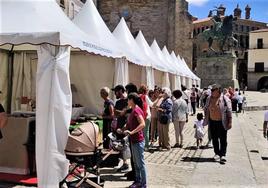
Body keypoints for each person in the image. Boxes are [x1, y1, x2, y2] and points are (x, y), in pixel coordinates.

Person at [118, 93, 147, 188]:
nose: (127, 101)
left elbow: (142, 124)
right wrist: (122, 129)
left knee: (140, 164)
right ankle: (138, 181)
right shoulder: (133, 110)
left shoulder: (137, 111)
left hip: (138, 140)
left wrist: (132, 132)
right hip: (134, 140)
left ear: (132, 100)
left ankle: (143, 184)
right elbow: (129, 123)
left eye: (128, 99)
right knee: (135, 163)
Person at [203, 84, 232, 164]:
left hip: (222, 122)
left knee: (223, 139)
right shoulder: (209, 98)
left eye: (213, 90)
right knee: (214, 138)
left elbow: (229, 111)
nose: (211, 92)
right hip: (212, 121)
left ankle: (223, 154)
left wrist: (230, 122)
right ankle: (217, 153)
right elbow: (206, 107)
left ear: (218, 91)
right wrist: (206, 116)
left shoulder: (225, 99)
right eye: (211, 90)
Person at [112, 85, 130, 172]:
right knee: (120, 145)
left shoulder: (128, 100)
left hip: (126, 127)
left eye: (115, 91)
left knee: (125, 145)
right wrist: (123, 112)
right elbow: (114, 112)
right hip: (119, 126)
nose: (115, 94)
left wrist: (123, 112)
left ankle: (126, 164)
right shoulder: (118, 102)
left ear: (120, 91)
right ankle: (125, 163)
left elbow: (128, 114)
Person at [138, 85, 153, 151]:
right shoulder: (145, 96)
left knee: (140, 131)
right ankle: (146, 146)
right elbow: (151, 104)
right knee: (146, 131)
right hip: (147, 116)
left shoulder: (138, 96)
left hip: (140, 116)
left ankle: (141, 144)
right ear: (145, 91)